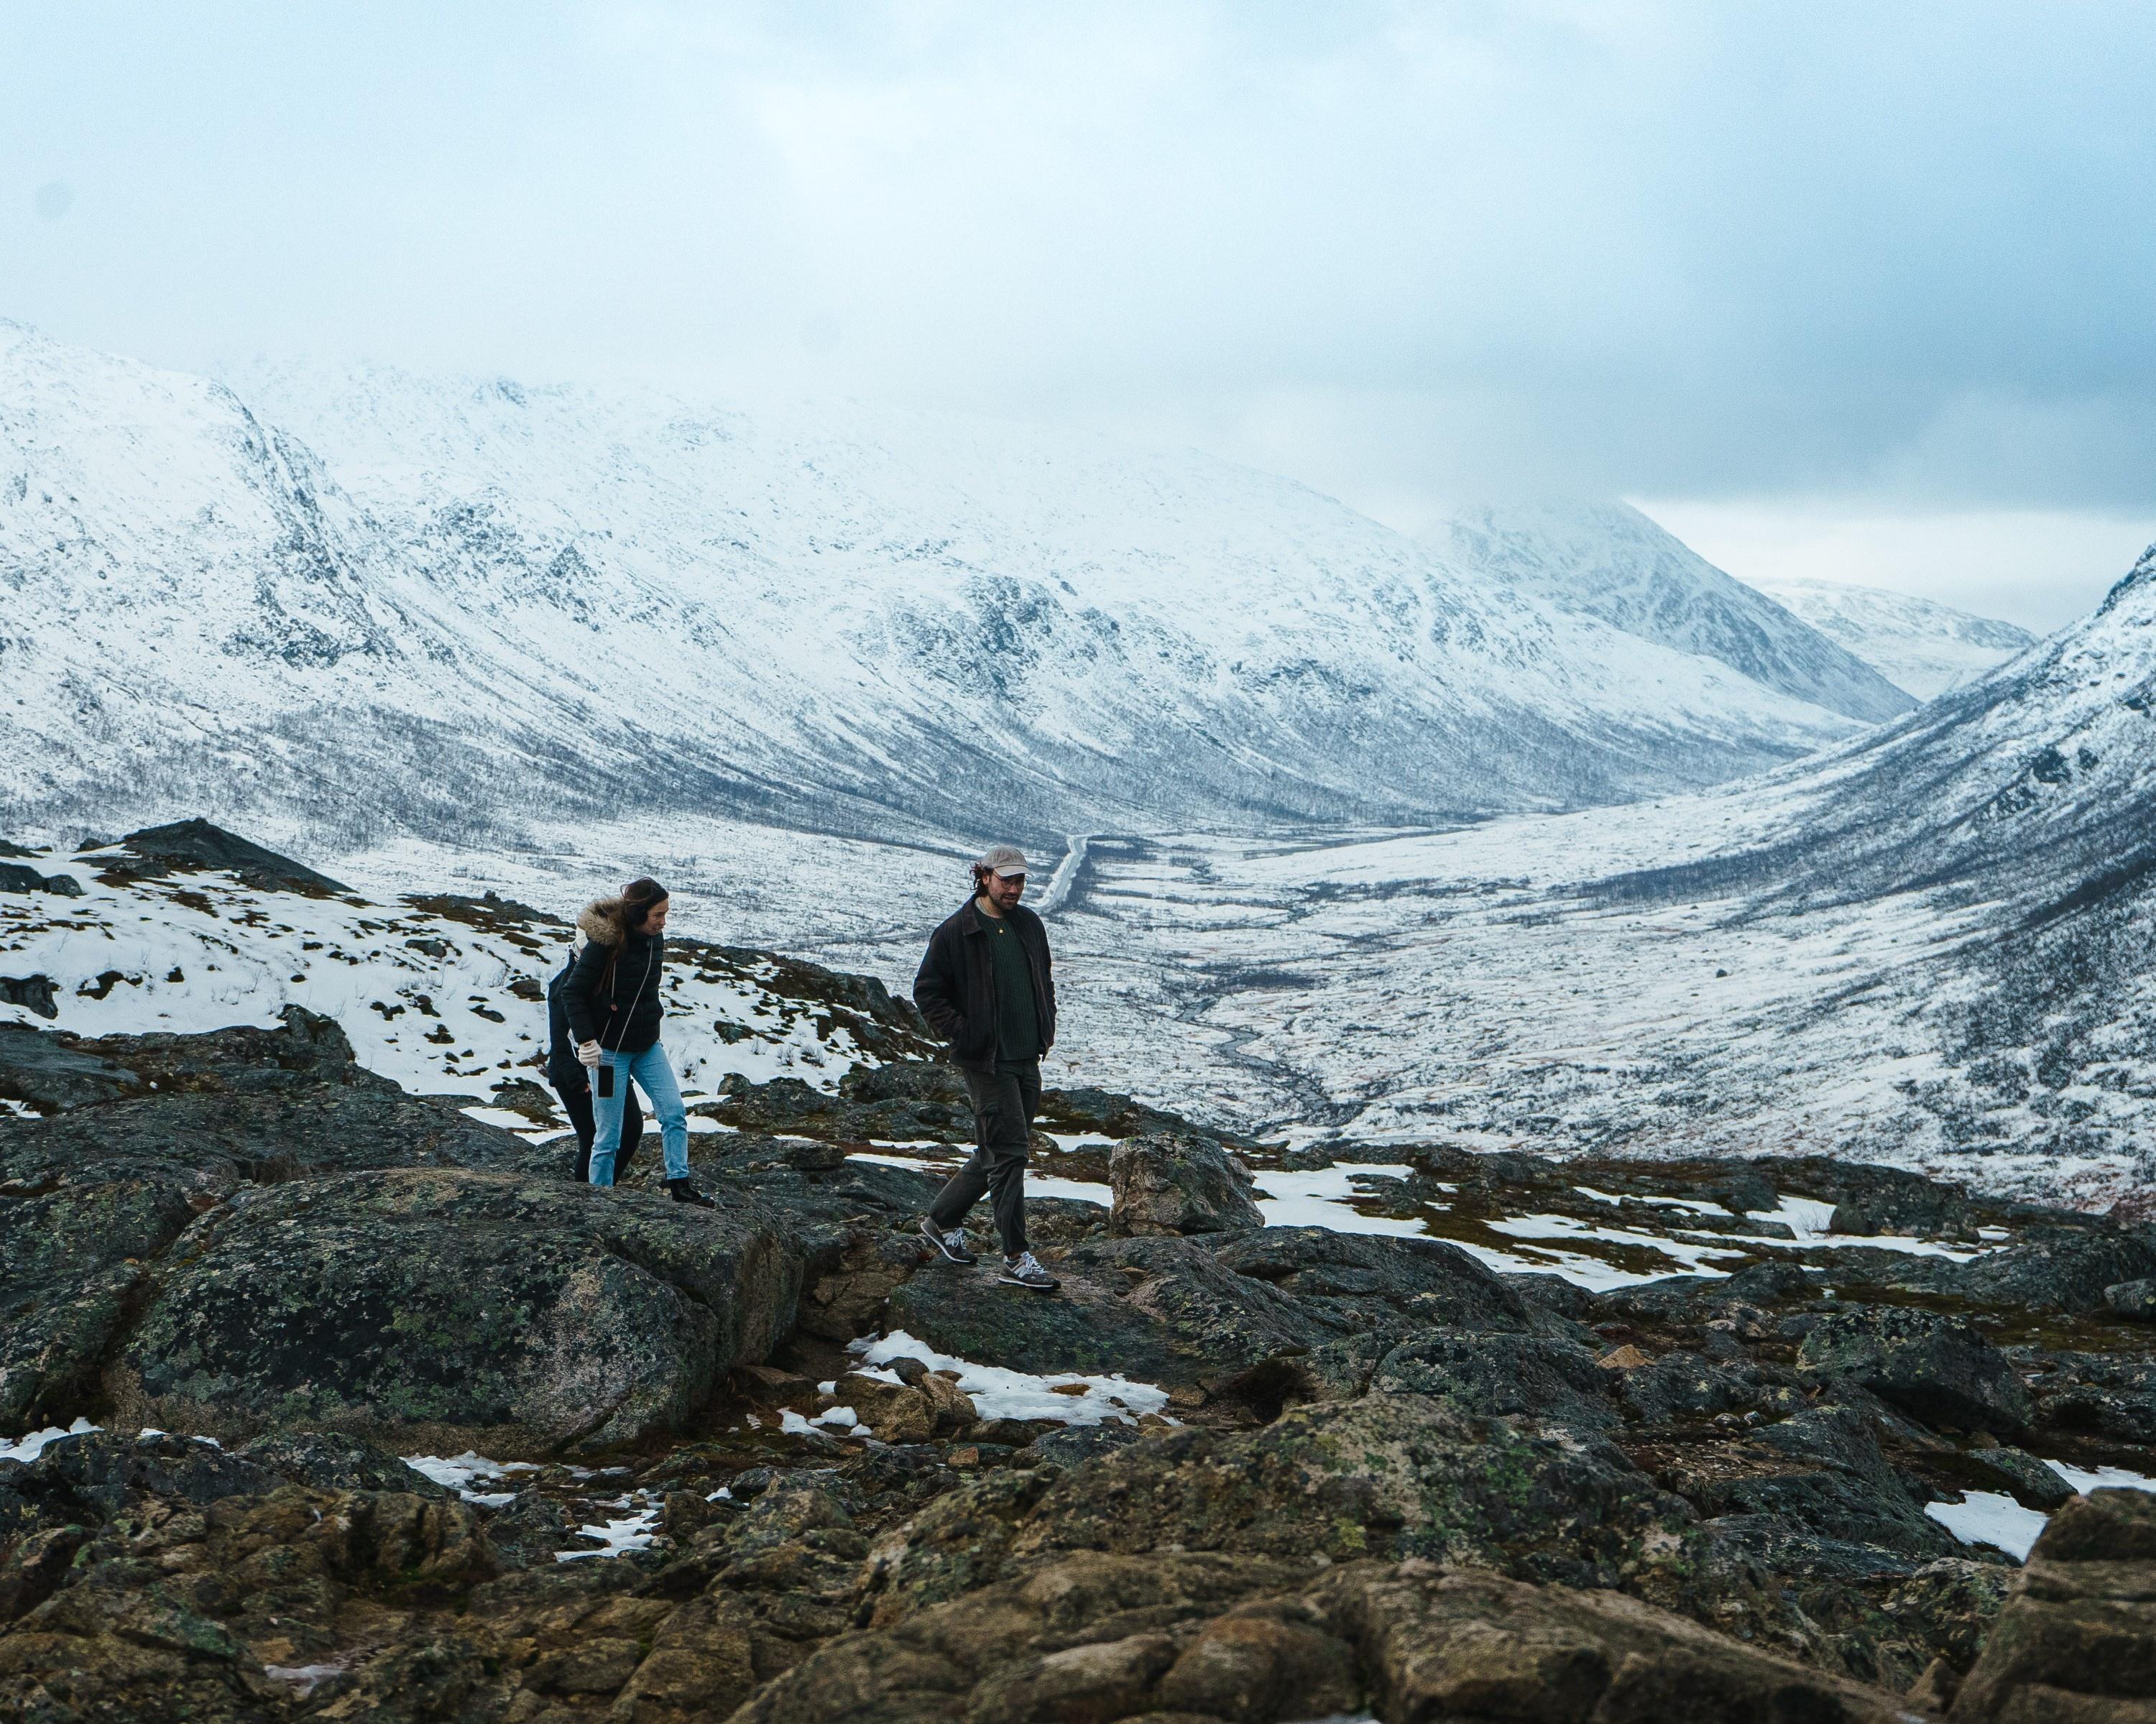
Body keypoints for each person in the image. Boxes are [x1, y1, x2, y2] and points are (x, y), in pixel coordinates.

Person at [912, 844, 1061, 1291]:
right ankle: (1016, 1256)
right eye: (1006, 880)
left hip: (1025, 1056)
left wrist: (1045, 1021)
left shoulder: (1029, 924)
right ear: (985, 878)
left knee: (997, 1149)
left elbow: (1043, 977)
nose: (1014, 888)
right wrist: (965, 1033)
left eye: (1020, 881)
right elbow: (928, 992)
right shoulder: (957, 932)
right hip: (987, 1061)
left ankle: (942, 1219)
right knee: (1011, 1152)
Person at [563, 876, 714, 1207]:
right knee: (608, 1135)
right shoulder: (606, 943)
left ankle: (680, 1184)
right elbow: (570, 992)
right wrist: (587, 1041)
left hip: (647, 1047)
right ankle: (599, 1202)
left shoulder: (654, 940)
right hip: (607, 1055)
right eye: (658, 915)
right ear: (637, 914)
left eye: (666, 914)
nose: (663, 922)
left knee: (674, 1113)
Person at [546, 943, 642, 1182]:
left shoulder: (607, 979)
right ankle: (585, 1199)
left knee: (631, 1128)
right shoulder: (564, 986)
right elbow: (559, 1041)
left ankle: (602, 1188)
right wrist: (577, 1080)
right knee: (592, 1138)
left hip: (607, 1066)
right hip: (575, 1073)